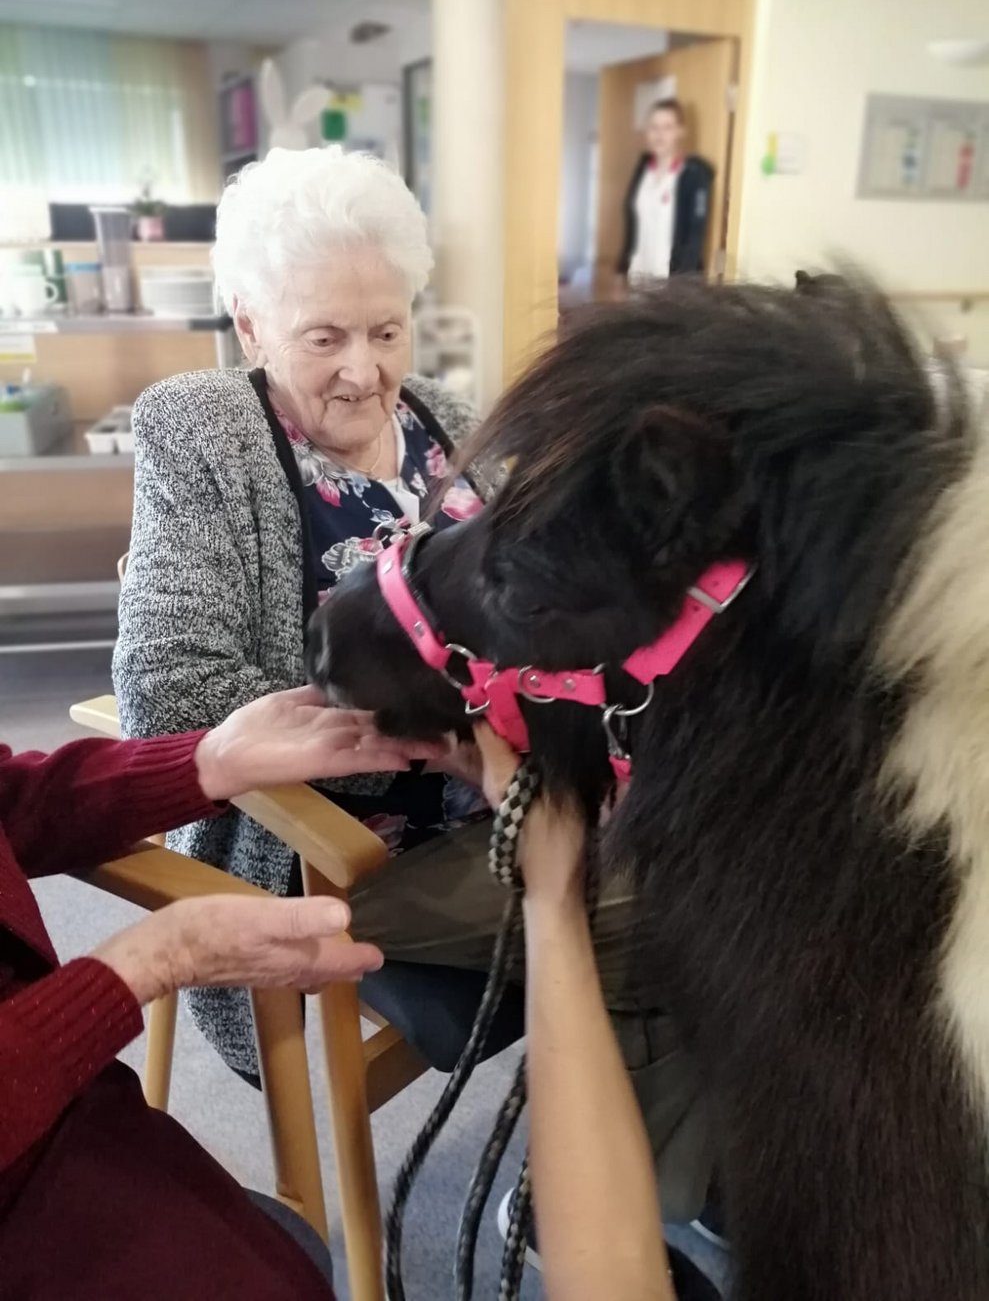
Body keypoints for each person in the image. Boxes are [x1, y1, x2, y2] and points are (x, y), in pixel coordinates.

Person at [114, 146, 712, 1226]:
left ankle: (641, 1191)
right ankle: (605, 1222)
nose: (363, 369)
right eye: (323, 337)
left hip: (516, 793)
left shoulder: (447, 415)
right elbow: (169, 686)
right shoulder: (203, 432)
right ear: (250, 326)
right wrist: (421, 727)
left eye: (385, 330)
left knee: (727, 829)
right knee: (698, 898)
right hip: (345, 848)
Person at [0, 686, 445, 1300]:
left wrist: (205, 761)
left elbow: (11, 801)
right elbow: (167, 679)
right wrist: (142, 967)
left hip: (61, 1103)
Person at [475, 724, 722, 1301]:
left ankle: (683, 1171)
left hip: (520, 783)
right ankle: (634, 1191)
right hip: (399, 837)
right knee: (682, 903)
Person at [615, 98, 714, 293]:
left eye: (667, 127)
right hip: (638, 277)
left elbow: (694, 237)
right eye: (653, 127)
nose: (659, 134)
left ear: (680, 131)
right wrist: (622, 268)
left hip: (672, 285)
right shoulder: (643, 170)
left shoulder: (694, 176)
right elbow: (632, 222)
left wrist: (681, 289)